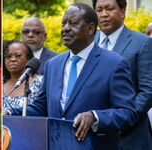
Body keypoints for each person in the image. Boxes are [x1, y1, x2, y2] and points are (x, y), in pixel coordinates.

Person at [9, 3, 137, 149]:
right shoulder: (53, 64)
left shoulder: (114, 64)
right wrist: (11, 113)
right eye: (63, 23)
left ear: (90, 28)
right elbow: (41, 107)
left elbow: (127, 113)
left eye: (73, 23)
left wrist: (95, 116)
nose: (65, 28)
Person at [92, 0, 152, 149]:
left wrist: (120, 119)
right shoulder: (87, 42)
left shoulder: (142, 43)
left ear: (123, 11)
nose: (104, 14)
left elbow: (147, 90)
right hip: (90, 134)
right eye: (99, 10)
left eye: (109, 9)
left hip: (129, 135)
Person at [2, 40, 43, 111]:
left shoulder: (41, 82)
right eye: (8, 56)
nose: (13, 59)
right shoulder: (1, 83)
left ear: (28, 59)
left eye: (18, 56)